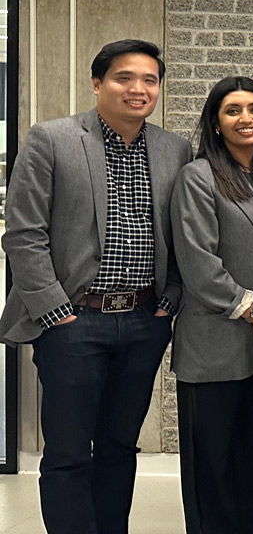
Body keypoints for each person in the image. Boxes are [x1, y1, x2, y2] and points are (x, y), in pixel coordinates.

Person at [0, 39, 193, 534]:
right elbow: (23, 233)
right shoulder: (51, 139)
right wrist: (53, 312)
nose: (138, 89)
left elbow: (183, 232)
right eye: (124, 77)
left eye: (150, 80)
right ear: (97, 83)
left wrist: (170, 299)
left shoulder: (175, 149)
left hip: (145, 321)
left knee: (118, 449)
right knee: (67, 452)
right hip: (73, 321)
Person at [170, 76, 253, 534]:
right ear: (215, 121)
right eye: (233, 110)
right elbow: (199, 265)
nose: (245, 118)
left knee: (252, 468)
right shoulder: (198, 176)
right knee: (213, 475)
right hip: (215, 345)